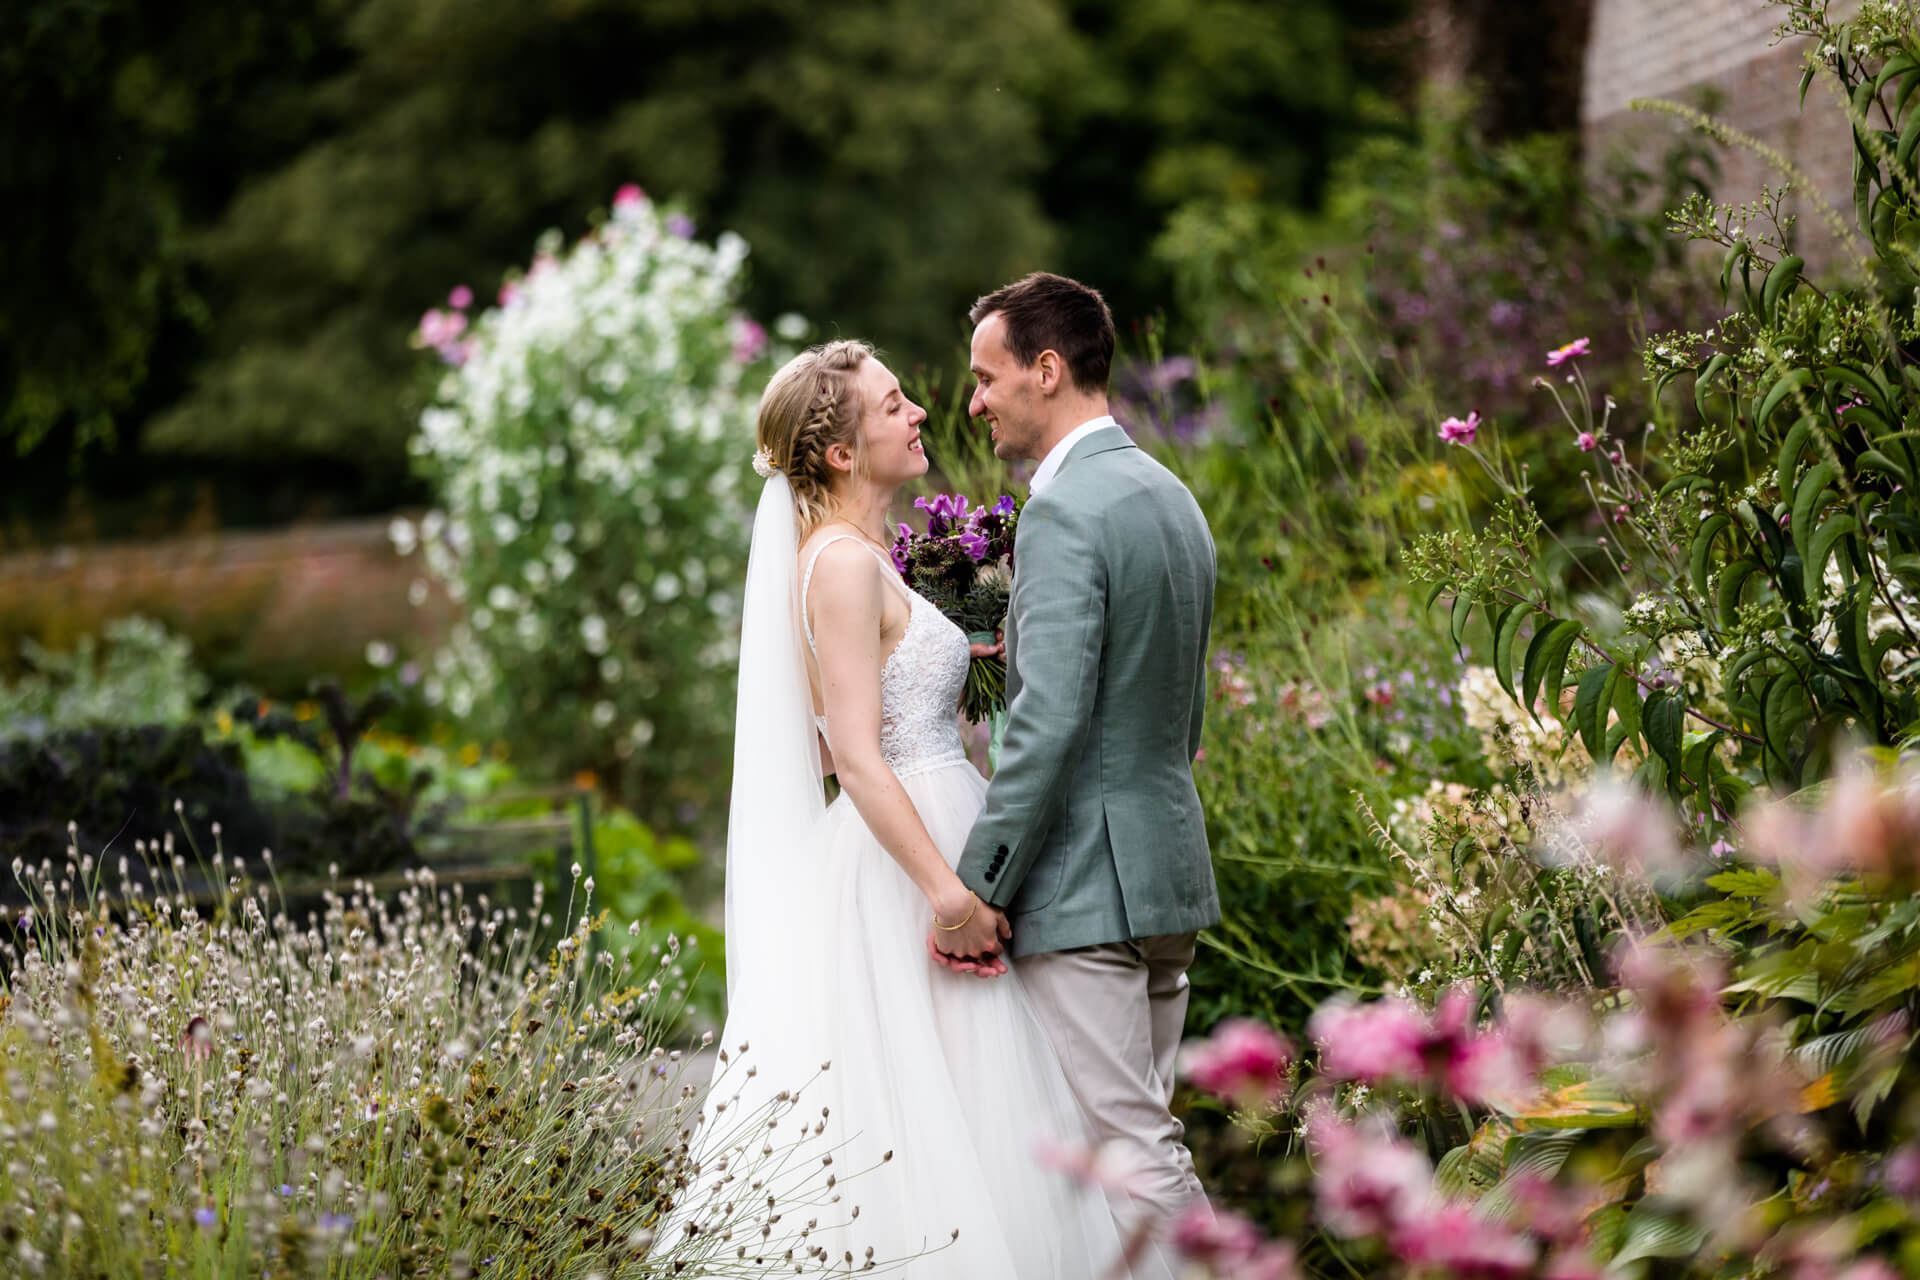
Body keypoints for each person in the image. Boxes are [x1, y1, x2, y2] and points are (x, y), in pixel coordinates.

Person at [673, 338, 1160, 1277]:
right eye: (893, 404)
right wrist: (947, 895)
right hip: (910, 865)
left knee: (967, 1105)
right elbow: (854, 757)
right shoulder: (844, 567)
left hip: (928, 820)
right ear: (843, 453)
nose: (920, 413)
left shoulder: (862, 557)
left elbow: (827, 730)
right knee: (953, 1108)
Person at [931, 272, 1221, 1238]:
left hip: (1087, 892)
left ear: (1046, 370)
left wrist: (981, 885)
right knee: (1136, 1147)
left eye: (986, 377)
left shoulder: (1062, 512)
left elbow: (1045, 722)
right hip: (1166, 872)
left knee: (1133, 1156)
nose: (974, 402)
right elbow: (1184, 715)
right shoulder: (1171, 496)